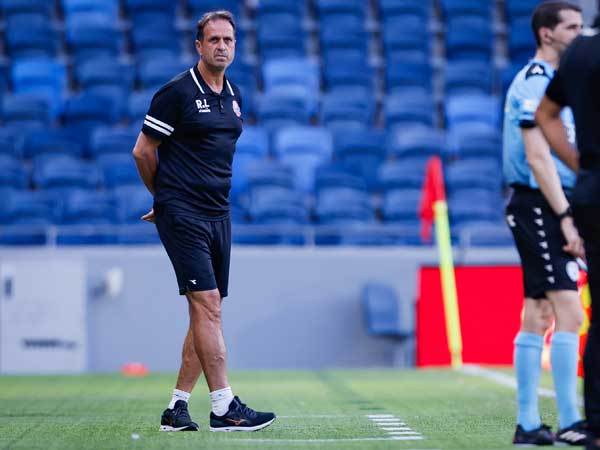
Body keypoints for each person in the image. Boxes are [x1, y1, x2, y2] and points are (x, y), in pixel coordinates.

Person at [132, 10, 276, 432]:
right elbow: (142, 151)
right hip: (183, 212)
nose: (221, 46)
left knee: (206, 312)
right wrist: (164, 198)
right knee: (208, 305)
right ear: (199, 45)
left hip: (218, 213)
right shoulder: (176, 92)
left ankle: (176, 408)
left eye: (228, 40)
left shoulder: (234, 94)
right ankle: (223, 406)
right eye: (213, 39)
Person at [502, 2, 587, 446]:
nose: (580, 33)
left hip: (546, 202)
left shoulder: (560, 81)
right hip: (540, 202)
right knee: (570, 311)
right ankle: (571, 421)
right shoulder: (536, 81)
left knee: (539, 312)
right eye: (572, 27)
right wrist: (566, 216)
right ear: (546, 34)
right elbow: (537, 157)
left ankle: (529, 424)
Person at [536, 22, 600, 450]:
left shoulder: (578, 52)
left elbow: (545, 113)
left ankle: (596, 424)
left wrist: (583, 165)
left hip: (592, 190)